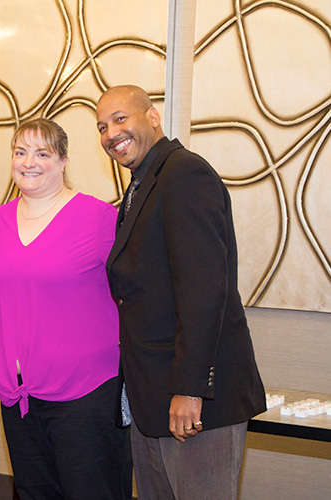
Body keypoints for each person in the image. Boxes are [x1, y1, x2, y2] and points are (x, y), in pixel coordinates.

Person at [96, 85, 266, 499]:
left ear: (152, 117)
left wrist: (189, 389)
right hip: (151, 397)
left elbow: (205, 290)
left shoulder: (184, 173)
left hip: (193, 401)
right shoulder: (141, 185)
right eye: (101, 126)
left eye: (121, 118)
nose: (110, 133)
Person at [0, 118, 132, 499]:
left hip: (86, 397)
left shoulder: (99, 219)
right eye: (20, 152)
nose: (29, 162)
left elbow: (139, 296)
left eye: (42, 153)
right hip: (18, 398)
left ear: (63, 161)